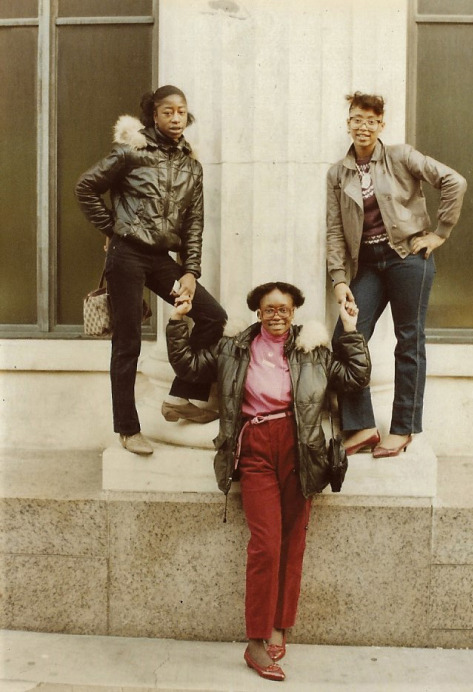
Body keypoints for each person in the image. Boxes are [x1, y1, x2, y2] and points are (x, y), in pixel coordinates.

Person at [166, 281, 370, 681]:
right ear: (258, 312)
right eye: (269, 309)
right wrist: (178, 321)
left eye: (285, 309)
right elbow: (188, 365)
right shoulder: (235, 347)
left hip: (300, 449)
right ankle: (256, 639)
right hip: (255, 445)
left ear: (294, 312)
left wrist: (349, 329)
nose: (277, 316)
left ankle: (280, 625)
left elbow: (356, 377)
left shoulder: (312, 352)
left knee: (293, 540)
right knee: (265, 543)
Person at [75, 85, 227, 456]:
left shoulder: (192, 165)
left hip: (160, 259)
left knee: (212, 316)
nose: (175, 118)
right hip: (127, 254)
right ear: (153, 116)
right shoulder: (131, 152)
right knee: (126, 343)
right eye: (167, 112)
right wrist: (113, 230)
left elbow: (194, 222)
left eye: (181, 112)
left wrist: (190, 270)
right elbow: (86, 187)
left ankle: (180, 397)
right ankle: (127, 430)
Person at [326, 92, 467, 458]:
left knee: (409, 342)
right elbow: (334, 230)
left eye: (372, 121)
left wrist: (440, 233)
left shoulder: (402, 156)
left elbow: (455, 182)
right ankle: (362, 426)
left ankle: (403, 428)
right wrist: (340, 279)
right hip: (369, 265)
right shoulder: (337, 173)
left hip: (409, 259)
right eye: (357, 119)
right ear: (348, 123)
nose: (364, 126)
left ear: (381, 125)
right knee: (346, 336)